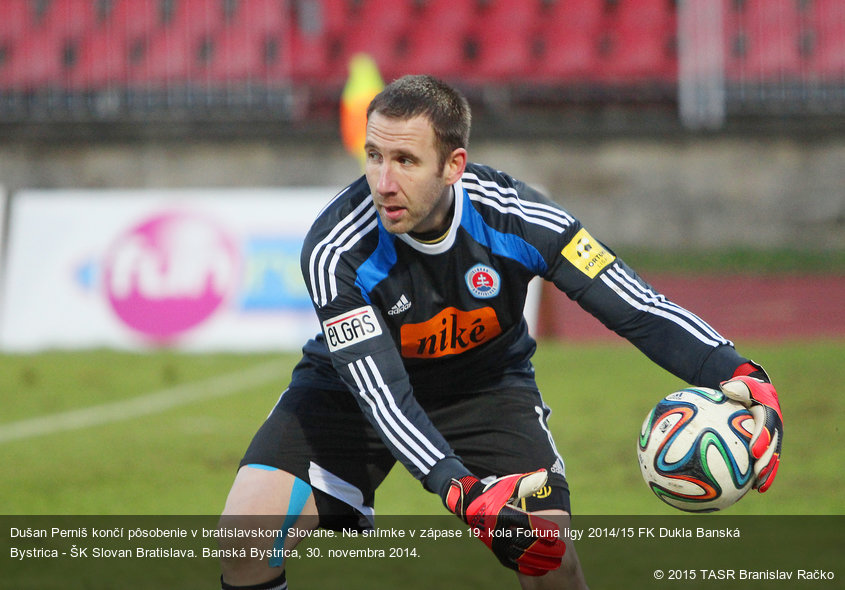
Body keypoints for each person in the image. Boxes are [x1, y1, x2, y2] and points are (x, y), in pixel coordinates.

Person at [217, 75, 783, 590]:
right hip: (351, 393)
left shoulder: (521, 218)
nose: (383, 182)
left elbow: (635, 307)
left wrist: (737, 370)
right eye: (374, 156)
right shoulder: (336, 249)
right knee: (242, 540)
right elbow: (381, 393)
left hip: (487, 391)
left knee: (550, 560)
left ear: (453, 164)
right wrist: (459, 490)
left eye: (406, 161)